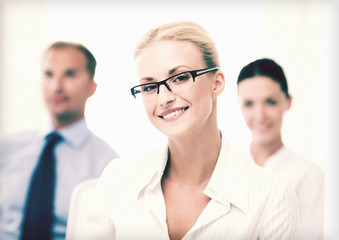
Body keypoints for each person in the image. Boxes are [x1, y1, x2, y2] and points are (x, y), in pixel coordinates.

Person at [66, 21, 298, 239]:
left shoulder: (271, 196)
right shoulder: (118, 180)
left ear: (216, 83)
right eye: (149, 86)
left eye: (180, 78)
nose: (164, 98)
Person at [0, 41, 119, 240]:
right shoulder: (7, 148)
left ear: (91, 87)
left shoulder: (109, 167)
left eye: (70, 74)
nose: (56, 86)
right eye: (48, 74)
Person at [237, 58, 325, 240]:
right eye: (249, 104)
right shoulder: (227, 168)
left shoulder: (308, 175)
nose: (259, 116)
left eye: (270, 102)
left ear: (288, 102)